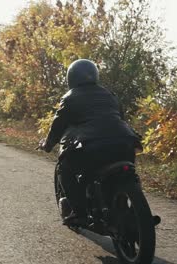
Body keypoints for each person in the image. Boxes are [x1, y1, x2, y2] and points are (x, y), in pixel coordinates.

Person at [39, 59, 141, 226]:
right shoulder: (110, 95)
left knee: (64, 168)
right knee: (129, 174)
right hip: (125, 144)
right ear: (95, 76)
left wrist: (48, 145)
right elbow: (120, 119)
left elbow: (58, 126)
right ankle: (128, 205)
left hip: (93, 149)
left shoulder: (70, 98)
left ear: (70, 78)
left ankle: (80, 214)